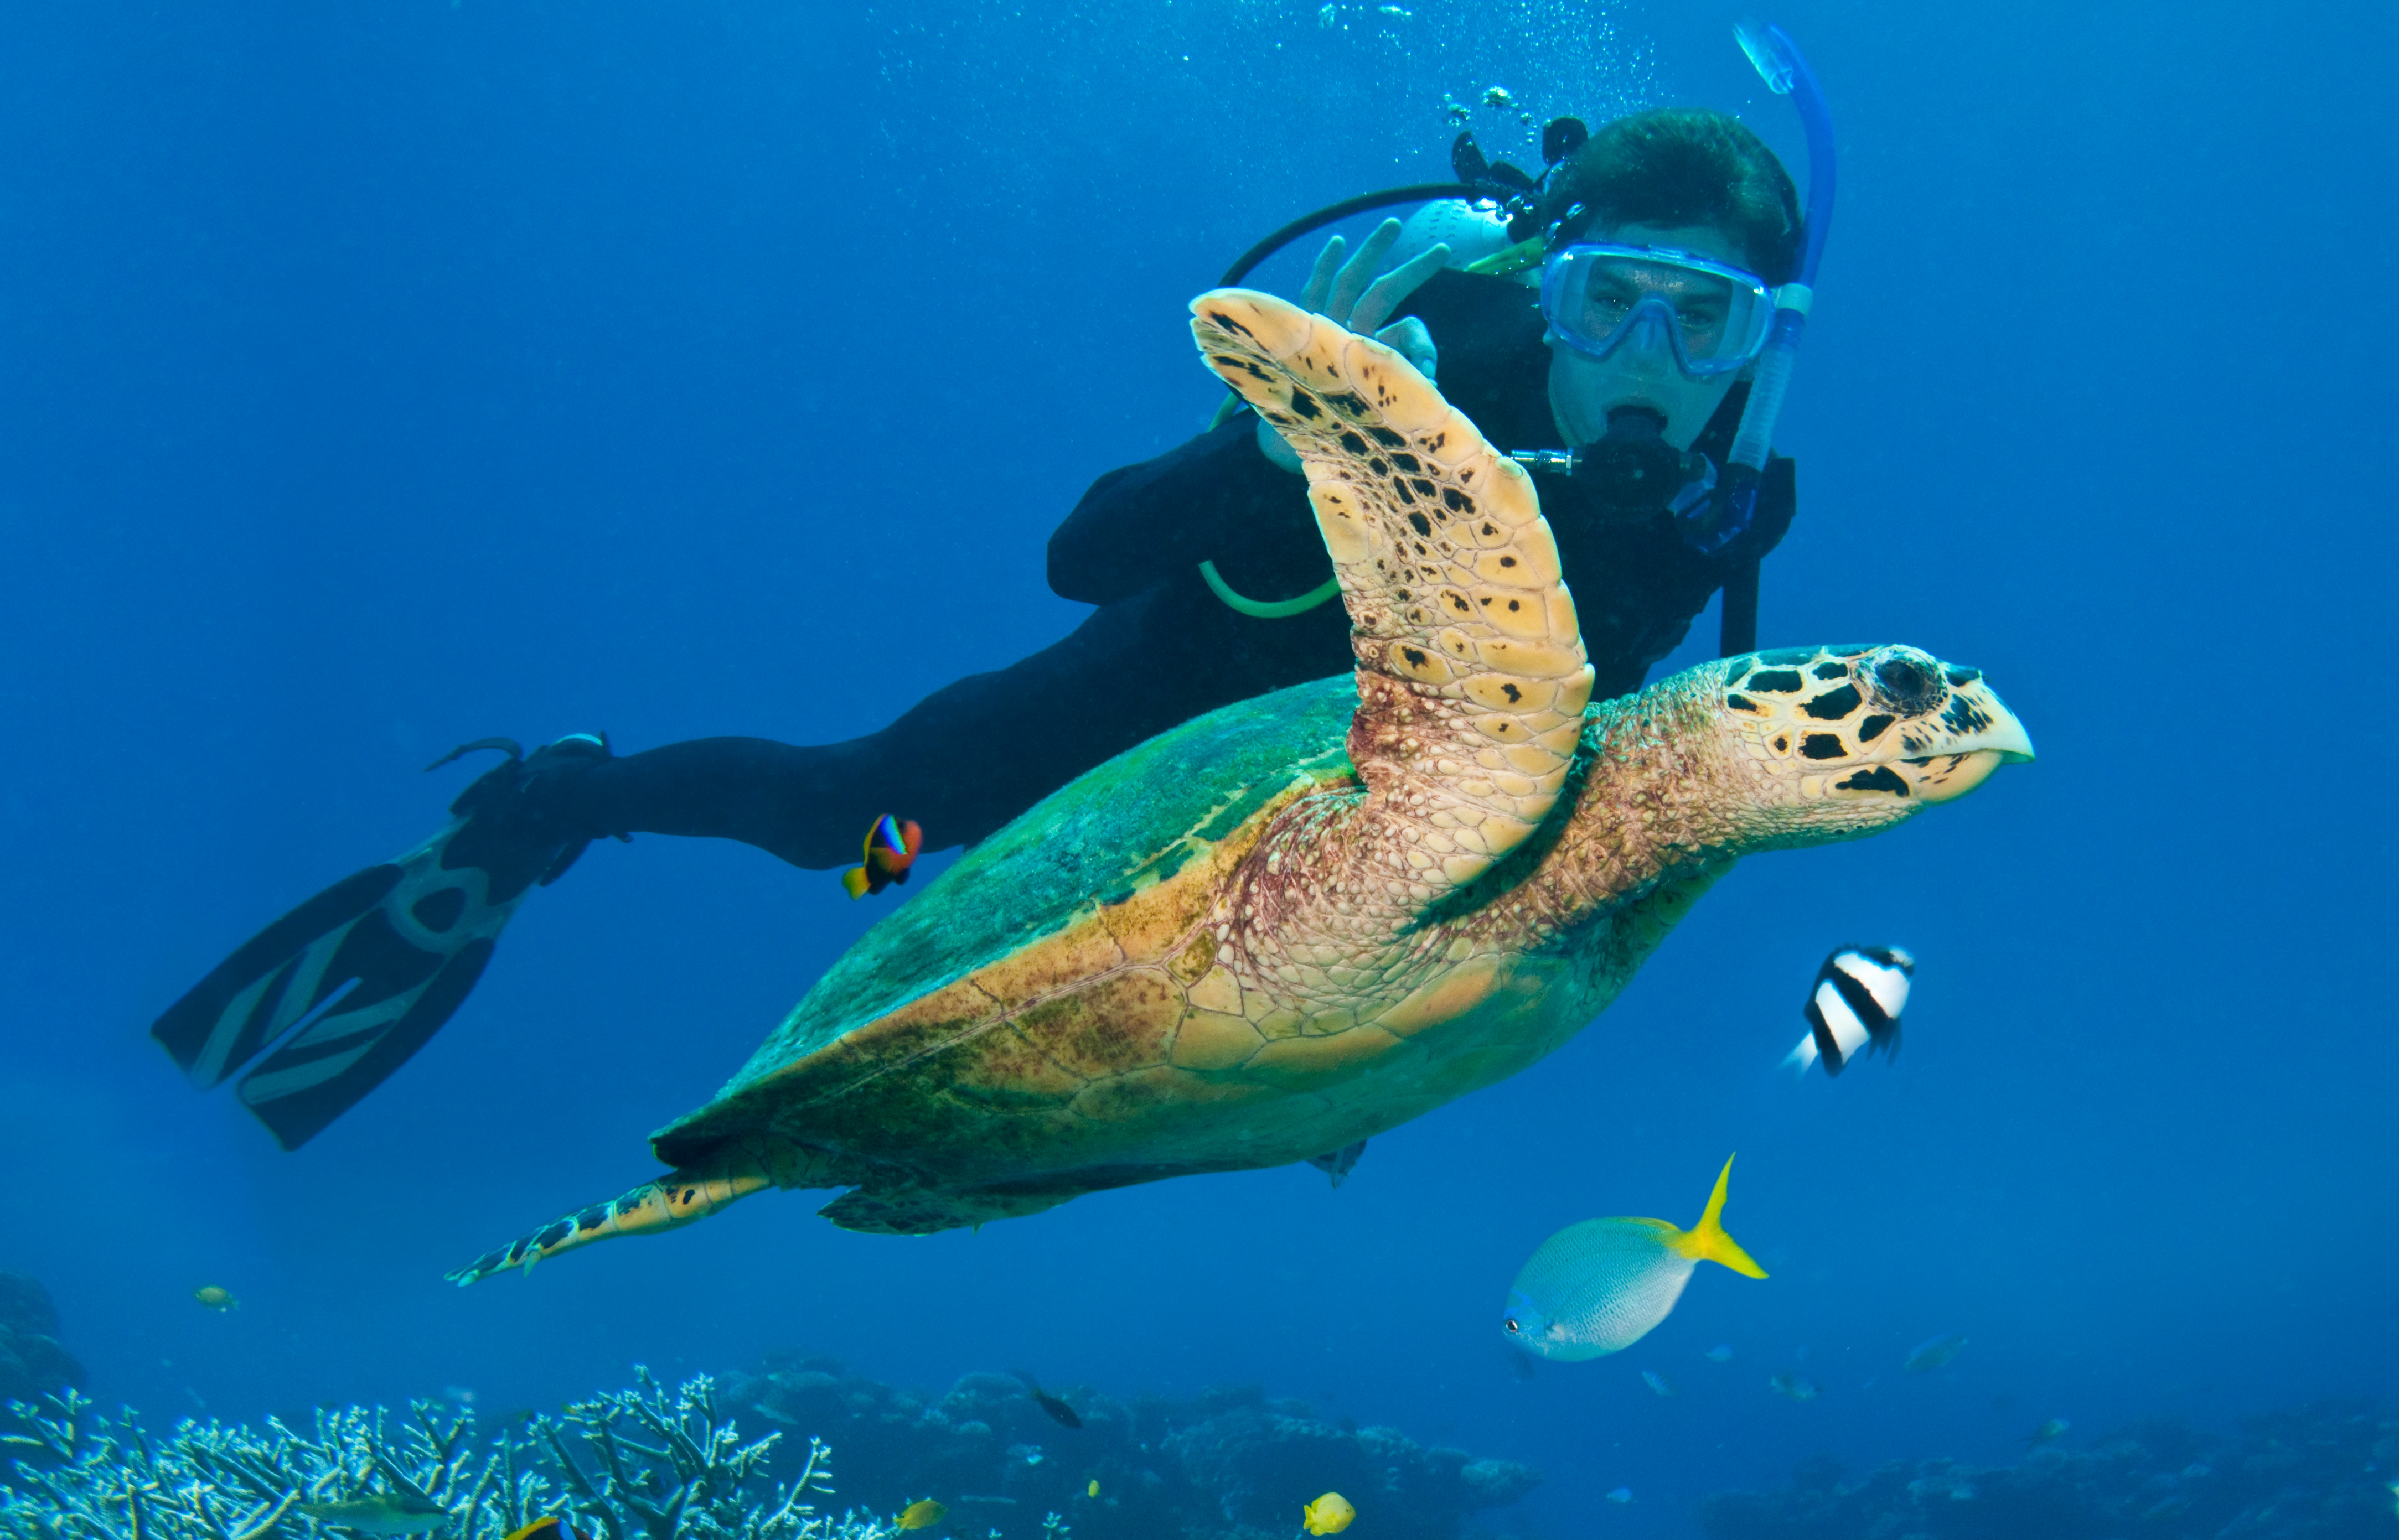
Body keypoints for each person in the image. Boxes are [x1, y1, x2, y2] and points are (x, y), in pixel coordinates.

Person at [157, 106, 1812, 1148]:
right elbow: (1081, 553)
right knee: (846, 824)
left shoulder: (1732, 497)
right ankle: (549, 805)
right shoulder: (1409, 367)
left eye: (1705, 320)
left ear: (1760, 343)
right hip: (1143, 708)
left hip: (1344, 829)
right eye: (1611, 301)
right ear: (1551, 282)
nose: (1648, 362)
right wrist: (1289, 435)